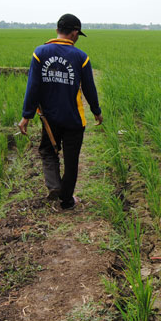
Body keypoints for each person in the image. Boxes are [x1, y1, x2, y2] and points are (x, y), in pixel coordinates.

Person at [18, 13, 103, 210]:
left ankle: (55, 186)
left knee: (48, 152)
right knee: (71, 161)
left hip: (50, 118)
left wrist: (26, 116)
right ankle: (66, 201)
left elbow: (33, 86)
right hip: (74, 119)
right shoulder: (81, 57)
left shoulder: (40, 52)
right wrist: (96, 111)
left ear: (57, 30)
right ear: (74, 33)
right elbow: (89, 88)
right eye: (77, 34)